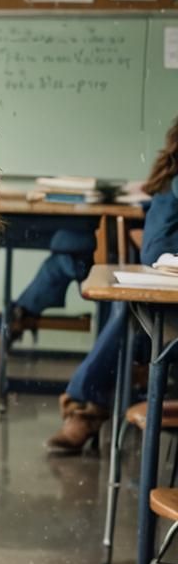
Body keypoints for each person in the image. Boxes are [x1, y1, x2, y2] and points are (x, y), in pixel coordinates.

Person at [46, 117, 178, 453]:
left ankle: (87, 407)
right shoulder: (171, 185)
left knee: (124, 313)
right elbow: (155, 251)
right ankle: (85, 407)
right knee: (130, 315)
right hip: (170, 308)